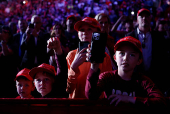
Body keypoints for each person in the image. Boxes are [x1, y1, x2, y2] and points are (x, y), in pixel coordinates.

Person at [85, 36, 166, 107]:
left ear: (139, 61)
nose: (125, 58)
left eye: (132, 55)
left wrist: (131, 99)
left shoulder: (143, 81)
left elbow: (161, 101)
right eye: (122, 53)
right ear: (115, 57)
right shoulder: (107, 77)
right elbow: (91, 95)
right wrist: (94, 66)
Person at [66, 17, 112, 98]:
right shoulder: (71, 55)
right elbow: (69, 90)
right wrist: (73, 67)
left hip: (97, 105)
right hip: (76, 105)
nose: (85, 33)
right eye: (82, 30)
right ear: (78, 34)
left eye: (89, 29)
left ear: (97, 33)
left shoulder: (105, 57)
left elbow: (107, 87)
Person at [125, 8, 168, 93]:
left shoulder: (158, 37)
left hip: (155, 80)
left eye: (147, 16)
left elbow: (164, 59)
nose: (144, 18)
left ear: (150, 18)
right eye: (141, 16)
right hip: (135, 79)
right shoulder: (129, 37)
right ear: (137, 19)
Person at [0, 25, 18, 98]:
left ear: (10, 34)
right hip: (1, 74)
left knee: (9, 95)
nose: (2, 34)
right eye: (1, 32)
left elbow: (6, 53)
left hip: (9, 74)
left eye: (5, 32)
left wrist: (3, 41)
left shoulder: (13, 44)